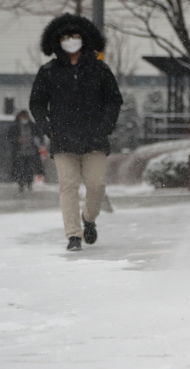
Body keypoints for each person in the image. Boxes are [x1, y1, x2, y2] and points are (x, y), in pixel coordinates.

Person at [30, 14, 123, 252]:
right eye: (65, 37)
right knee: (68, 186)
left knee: (96, 185)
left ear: (85, 39)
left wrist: (105, 125)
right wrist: (47, 127)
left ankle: (89, 218)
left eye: (75, 36)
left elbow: (114, 100)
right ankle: (73, 234)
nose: (70, 41)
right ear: (56, 41)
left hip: (95, 139)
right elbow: (37, 103)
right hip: (62, 139)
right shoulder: (49, 72)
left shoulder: (99, 69)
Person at [6, 110, 44, 193]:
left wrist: (37, 141)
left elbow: (40, 137)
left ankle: (29, 183)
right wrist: (17, 140)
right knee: (19, 169)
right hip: (19, 152)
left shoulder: (33, 126)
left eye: (25, 116)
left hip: (31, 152)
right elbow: (9, 138)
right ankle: (21, 184)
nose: (24, 118)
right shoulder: (15, 127)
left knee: (29, 169)